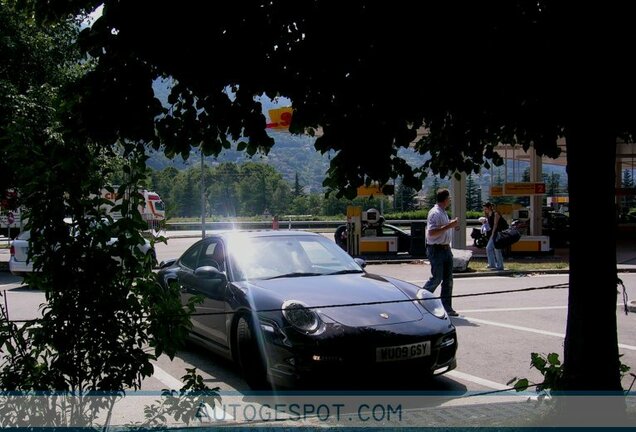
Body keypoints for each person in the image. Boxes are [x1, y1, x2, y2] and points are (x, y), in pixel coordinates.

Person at [422, 188, 459, 317]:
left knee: (448, 280)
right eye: (449, 198)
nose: (450, 201)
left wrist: (451, 224)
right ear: (445, 199)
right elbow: (431, 233)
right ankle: (421, 300)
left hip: (445, 249)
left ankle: (446, 307)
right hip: (436, 249)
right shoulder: (435, 213)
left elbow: (442, 228)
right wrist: (449, 226)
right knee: (436, 278)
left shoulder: (443, 212)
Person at [483, 202, 508, 271]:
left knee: (497, 249)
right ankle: (492, 264)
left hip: (500, 233)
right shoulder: (489, 215)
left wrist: (492, 234)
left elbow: (495, 225)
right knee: (489, 248)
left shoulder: (496, 214)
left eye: (486, 209)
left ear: (489, 208)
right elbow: (490, 225)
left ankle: (500, 266)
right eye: (484, 209)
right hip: (495, 233)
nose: (485, 211)